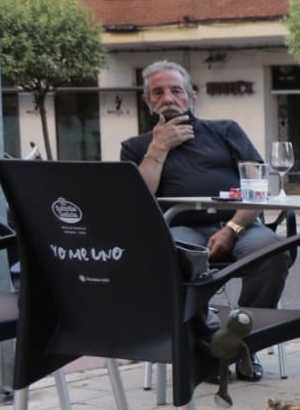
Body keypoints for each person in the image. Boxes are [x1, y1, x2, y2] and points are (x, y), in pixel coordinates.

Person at [120, 60, 288, 380]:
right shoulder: (136, 147)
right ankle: (204, 343)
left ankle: (242, 343)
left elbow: (257, 188)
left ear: (192, 97)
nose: (168, 97)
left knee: (272, 253)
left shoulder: (225, 130)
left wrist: (231, 229)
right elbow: (138, 201)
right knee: (170, 256)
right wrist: (159, 146)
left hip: (240, 224)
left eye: (176, 90)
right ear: (147, 101)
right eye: (158, 92)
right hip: (182, 228)